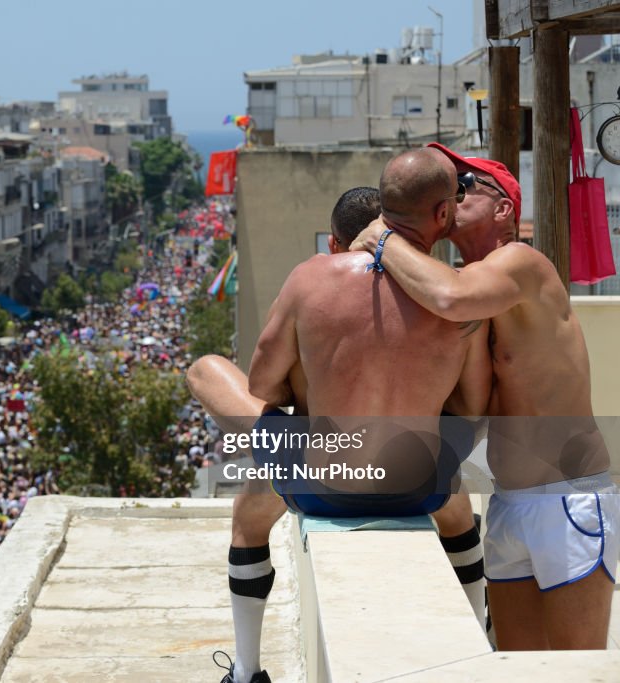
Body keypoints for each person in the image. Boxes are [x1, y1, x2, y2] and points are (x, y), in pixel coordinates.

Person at [200, 152, 491, 683]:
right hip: (416, 486)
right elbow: (471, 411)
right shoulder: (460, 298)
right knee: (453, 498)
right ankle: (479, 634)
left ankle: (245, 672)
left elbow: (263, 386)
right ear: (443, 216)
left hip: (322, 483)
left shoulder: (312, 278)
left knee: (208, 379)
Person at [350, 143, 619, 651]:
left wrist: (383, 236)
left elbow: (451, 297)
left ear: (503, 209)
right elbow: (467, 412)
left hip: (569, 500)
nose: (455, 191)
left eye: (468, 184)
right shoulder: (464, 294)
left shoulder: (521, 263)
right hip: (508, 505)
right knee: (516, 669)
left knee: (576, 672)